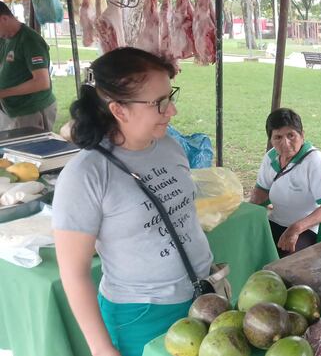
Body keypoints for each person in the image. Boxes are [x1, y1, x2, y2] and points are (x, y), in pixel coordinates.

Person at [53, 48, 213, 356]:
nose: (172, 111)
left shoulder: (169, 146)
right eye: (159, 103)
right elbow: (74, 273)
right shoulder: (85, 176)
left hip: (202, 298)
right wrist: (101, 348)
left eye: (171, 96)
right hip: (143, 316)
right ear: (119, 110)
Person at [250, 108, 321, 257]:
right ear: (271, 140)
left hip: (308, 228)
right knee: (248, 248)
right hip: (277, 220)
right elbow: (261, 191)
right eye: (278, 137)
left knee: (284, 263)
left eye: (291, 135)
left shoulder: (315, 162)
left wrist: (296, 228)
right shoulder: (271, 158)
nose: (285, 143)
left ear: (302, 135)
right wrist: (245, 212)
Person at [0, 1, 57, 131]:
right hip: (12, 110)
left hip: (32, 110)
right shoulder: (4, 39)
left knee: (35, 150)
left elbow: (42, 82)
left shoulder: (30, 40)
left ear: (4, 19)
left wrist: (3, 93)